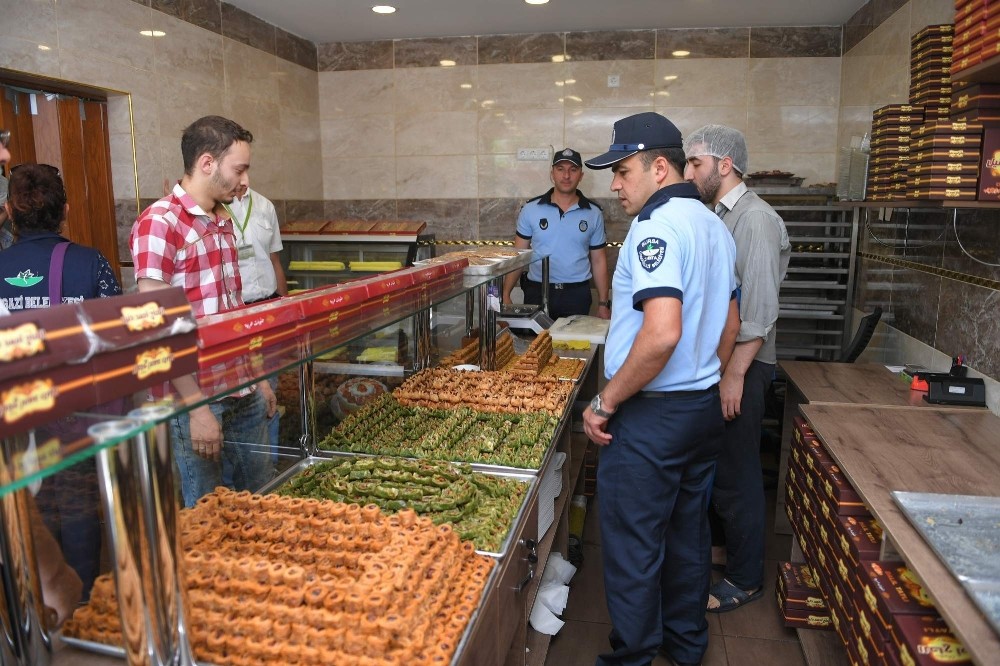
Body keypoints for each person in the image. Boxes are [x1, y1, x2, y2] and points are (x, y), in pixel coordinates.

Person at [582, 112, 739, 666]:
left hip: (653, 417)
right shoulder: (714, 226)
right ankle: (686, 644)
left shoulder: (657, 227)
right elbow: (729, 324)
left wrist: (607, 400)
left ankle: (633, 658)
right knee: (687, 538)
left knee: (632, 546)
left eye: (623, 171)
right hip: (698, 410)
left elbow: (662, 333)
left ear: (659, 166)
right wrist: (707, 377)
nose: (615, 185)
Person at [130, 115, 276, 508]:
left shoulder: (222, 219)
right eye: (239, 169)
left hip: (241, 385)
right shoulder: (159, 224)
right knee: (208, 510)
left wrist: (259, 376)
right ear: (207, 163)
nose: (245, 181)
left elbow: (233, 309)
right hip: (195, 395)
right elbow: (157, 327)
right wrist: (195, 407)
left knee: (262, 499)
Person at [0, 163, 122, 601]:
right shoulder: (91, 264)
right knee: (76, 512)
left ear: (10, 211)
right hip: (76, 415)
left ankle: (32, 611)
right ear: (66, 210)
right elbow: (117, 345)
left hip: (11, 423)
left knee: (22, 514)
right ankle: (83, 608)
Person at [683, 125, 790, 614]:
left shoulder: (756, 221)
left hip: (745, 368)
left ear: (725, 165)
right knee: (721, 471)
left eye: (696, 163)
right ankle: (725, 552)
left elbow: (760, 312)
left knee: (737, 475)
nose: (689, 172)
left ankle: (747, 579)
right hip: (727, 366)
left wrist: (734, 375)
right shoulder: (720, 216)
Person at [502, 148, 611, 320]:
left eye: (573, 170)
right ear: (552, 173)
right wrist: (506, 294)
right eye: (560, 169)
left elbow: (599, 260)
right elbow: (518, 255)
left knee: (575, 345)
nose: (566, 176)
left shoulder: (593, 212)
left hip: (577, 295)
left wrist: (604, 303)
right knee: (536, 345)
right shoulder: (531, 209)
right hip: (536, 292)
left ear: (581, 175)